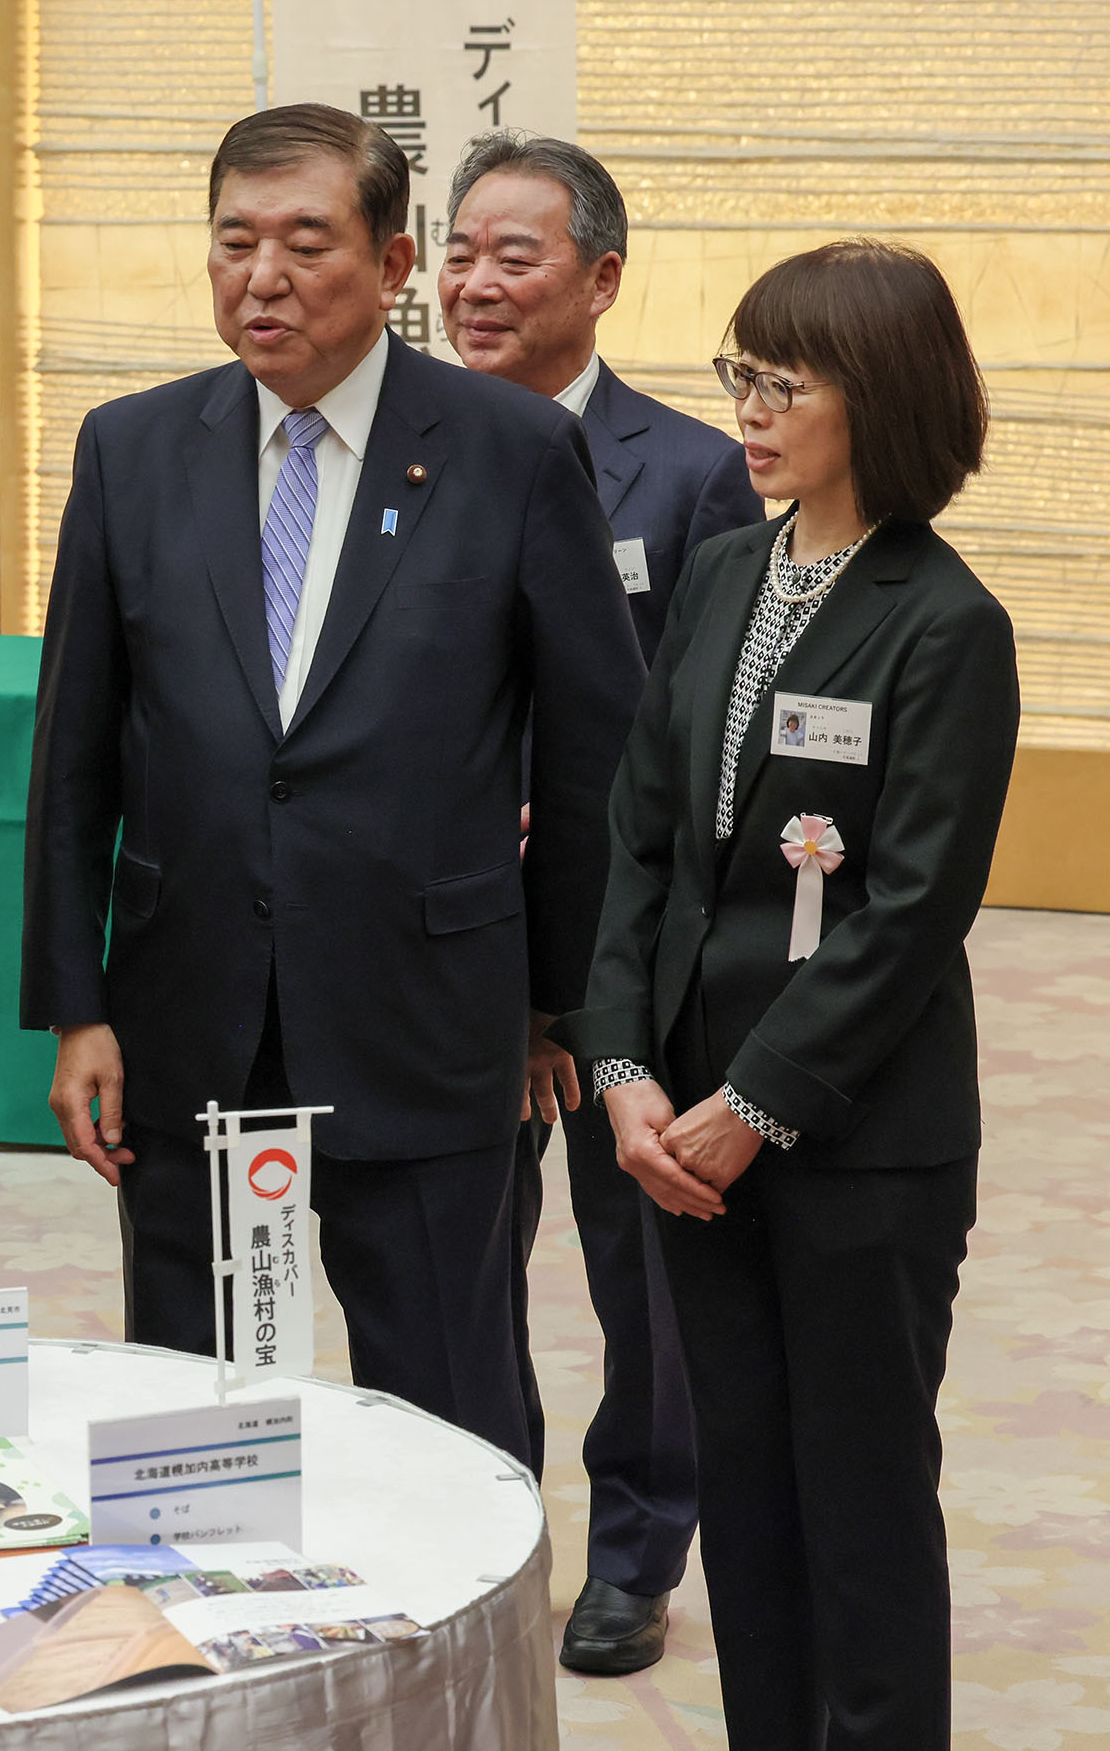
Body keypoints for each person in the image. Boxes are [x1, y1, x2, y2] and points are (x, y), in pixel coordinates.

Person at [23, 104, 643, 1468]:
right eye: (235, 242)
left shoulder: (510, 449)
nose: (265, 277)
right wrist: (79, 1006)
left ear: (394, 259)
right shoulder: (135, 449)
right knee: (194, 1407)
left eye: (308, 243)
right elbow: (73, 753)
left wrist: (553, 1003)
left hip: (428, 1016)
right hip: (190, 1009)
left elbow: (598, 755)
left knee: (444, 1398)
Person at [557, 241, 1015, 1747]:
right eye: (738, 375)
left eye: (782, 382)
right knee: (747, 1492)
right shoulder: (724, 571)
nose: (747, 410)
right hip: (684, 1130)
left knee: (863, 1502)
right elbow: (641, 835)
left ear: (874, 399)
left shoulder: (946, 622)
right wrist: (623, 1064)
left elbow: (908, 912)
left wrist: (751, 1105)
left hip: (850, 1140)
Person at [438, 128, 765, 1675]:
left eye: (516, 254)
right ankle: (479, 1531)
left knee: (643, 1259)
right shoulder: (407, 448)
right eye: (457, 250)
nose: (472, 283)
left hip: (634, 951)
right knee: (455, 1258)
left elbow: (708, 735)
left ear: (603, 279)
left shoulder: (692, 473)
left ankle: (638, 1548)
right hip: (447, 940)